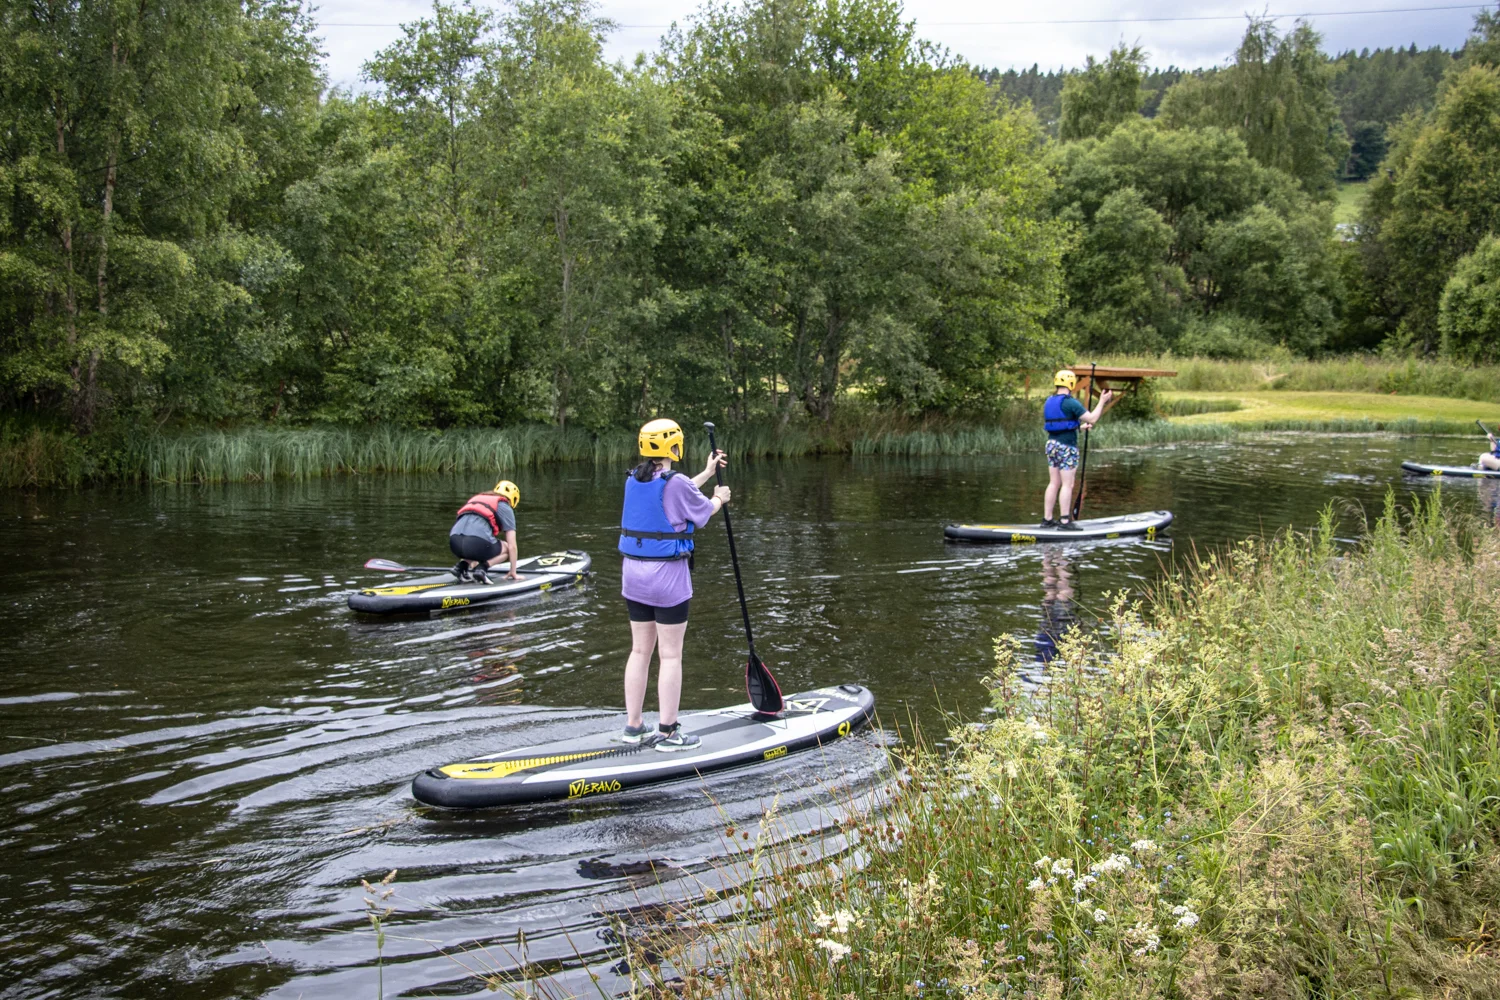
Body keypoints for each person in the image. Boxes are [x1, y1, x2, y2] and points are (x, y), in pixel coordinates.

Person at [618, 418, 730, 751]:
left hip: (633, 577)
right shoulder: (677, 482)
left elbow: (672, 494)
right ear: (674, 446)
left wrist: (708, 473)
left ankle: (634, 726)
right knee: (670, 656)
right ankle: (668, 732)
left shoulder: (634, 480)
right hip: (666, 580)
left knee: (640, 651)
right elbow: (701, 511)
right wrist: (720, 497)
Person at [1041, 370, 1113, 530]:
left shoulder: (1049, 400)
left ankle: (1047, 519)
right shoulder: (1070, 402)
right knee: (1068, 484)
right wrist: (1101, 401)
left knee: (1054, 483)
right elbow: (1093, 418)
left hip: (1051, 444)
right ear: (1071, 384)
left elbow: (1060, 424)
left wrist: (1079, 427)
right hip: (1066, 447)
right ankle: (1065, 521)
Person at [449, 480, 521, 584]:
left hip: (454, 542)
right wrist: (513, 571)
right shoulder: (504, 506)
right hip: (475, 544)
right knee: (506, 548)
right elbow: (512, 546)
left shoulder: (476, 499)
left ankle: (460, 567)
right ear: (513, 500)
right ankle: (481, 569)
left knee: (475, 542)